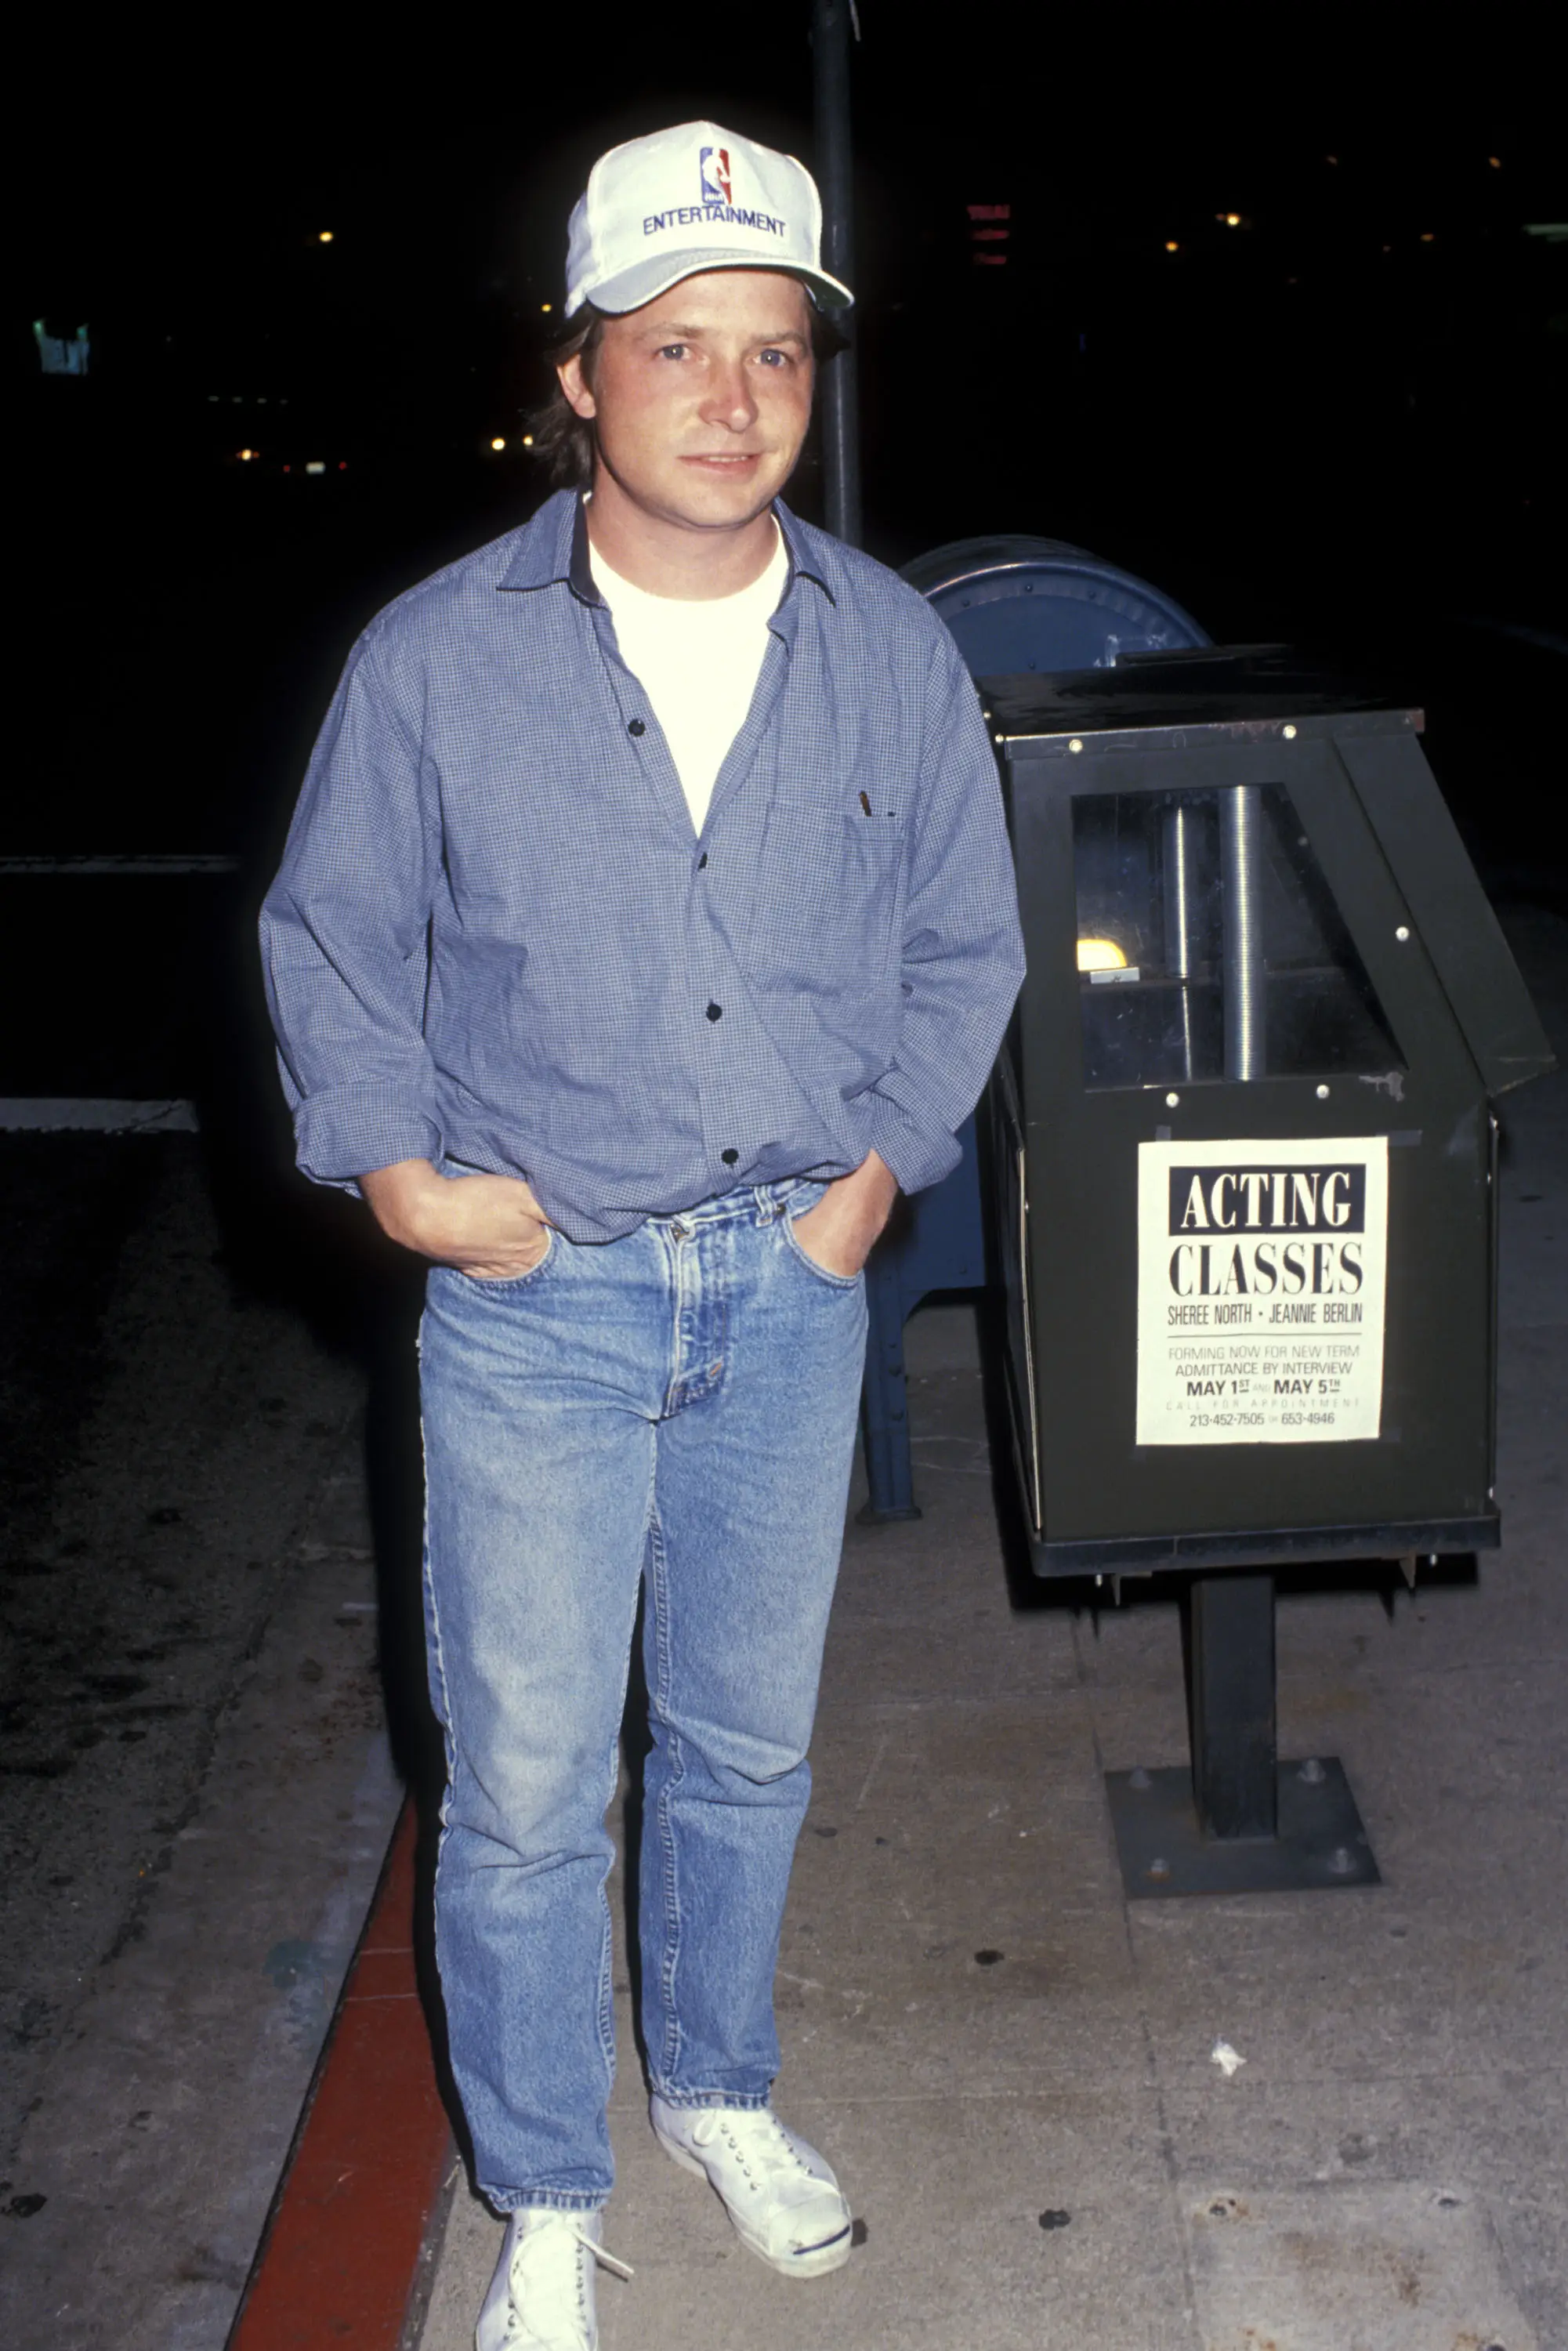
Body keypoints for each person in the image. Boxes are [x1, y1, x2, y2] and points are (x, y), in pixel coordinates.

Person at [261, 119, 1024, 2351]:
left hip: (791, 1287)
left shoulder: (887, 654)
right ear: (576, 377)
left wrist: (885, 1164)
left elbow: (966, 941)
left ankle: (714, 2087)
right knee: (513, 1783)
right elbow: (330, 937)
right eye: (673, 345)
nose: (730, 393)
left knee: (746, 1740)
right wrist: (399, 1175)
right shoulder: (438, 662)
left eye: (771, 350)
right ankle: (547, 2196)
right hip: (539, 1304)